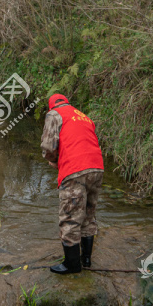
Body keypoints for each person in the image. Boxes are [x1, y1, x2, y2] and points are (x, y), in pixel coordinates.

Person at [40, 94, 104, 275]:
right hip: (97, 167)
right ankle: (86, 259)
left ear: (52, 106)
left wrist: (53, 161)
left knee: (70, 217)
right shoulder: (83, 116)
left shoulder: (54, 114)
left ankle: (72, 265)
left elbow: (48, 146)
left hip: (75, 169)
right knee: (88, 215)